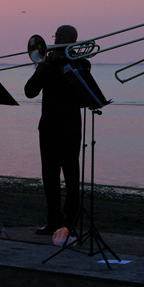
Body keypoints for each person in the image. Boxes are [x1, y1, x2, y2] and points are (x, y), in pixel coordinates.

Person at [24, 25, 87, 235]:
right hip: (48, 126)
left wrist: (60, 61)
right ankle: (53, 221)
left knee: (71, 175)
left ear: (72, 40)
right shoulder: (47, 65)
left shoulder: (81, 63)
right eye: (56, 36)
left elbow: (81, 92)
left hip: (70, 127)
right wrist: (42, 67)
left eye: (62, 36)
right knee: (49, 175)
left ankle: (71, 223)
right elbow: (29, 91)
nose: (56, 39)